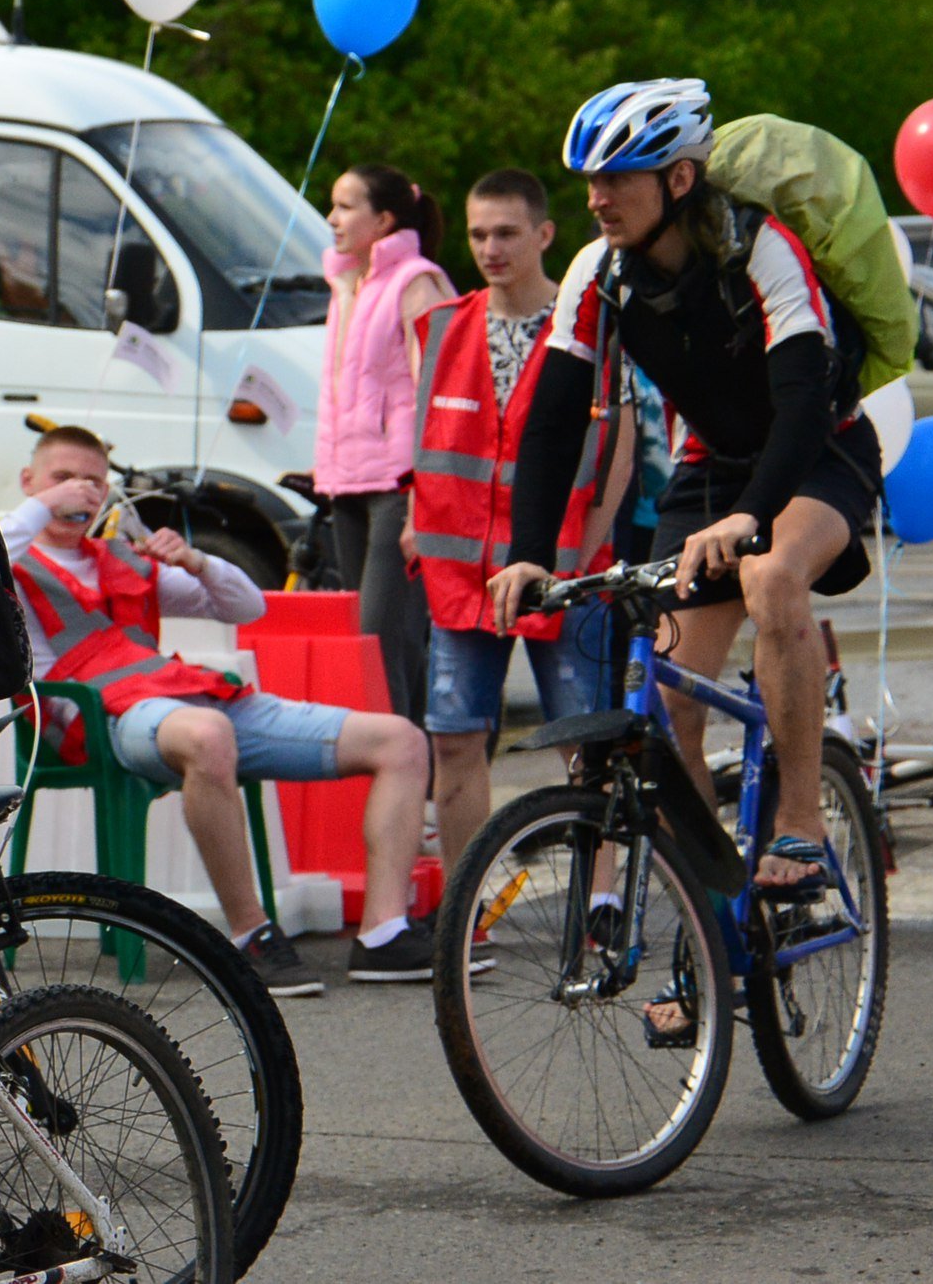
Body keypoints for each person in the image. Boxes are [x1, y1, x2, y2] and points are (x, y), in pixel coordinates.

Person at [491, 78, 883, 906]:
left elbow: (806, 399)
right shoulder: (600, 272)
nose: (596, 199)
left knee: (772, 576)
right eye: (589, 181)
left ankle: (803, 823)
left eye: (617, 178)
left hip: (819, 453)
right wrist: (528, 554)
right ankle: (714, 930)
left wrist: (753, 517)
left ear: (677, 178)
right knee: (662, 715)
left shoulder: (760, 247)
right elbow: (555, 420)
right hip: (712, 470)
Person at [7, 424, 433, 990]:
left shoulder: (122, 557)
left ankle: (383, 934)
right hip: (102, 721)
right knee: (208, 734)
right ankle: (249, 936)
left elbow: (246, 605)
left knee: (400, 740)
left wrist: (196, 561)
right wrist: (43, 505)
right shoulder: (8, 556)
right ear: (29, 482)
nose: (78, 491)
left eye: (92, 481)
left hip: (185, 704)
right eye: (63, 478)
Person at [408, 171, 633, 877]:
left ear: (544, 235)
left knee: (586, 743)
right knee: (452, 740)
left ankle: (597, 904)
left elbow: (618, 450)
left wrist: (585, 554)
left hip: (566, 571)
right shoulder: (441, 327)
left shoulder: (591, 328)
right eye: (477, 233)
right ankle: (464, 909)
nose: (490, 247)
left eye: (506, 232)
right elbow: (424, 443)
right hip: (462, 578)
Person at [314, 164, 454, 725]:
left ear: (385, 218)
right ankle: (407, 782)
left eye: (346, 206)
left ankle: (404, 784)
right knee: (369, 643)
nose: (332, 219)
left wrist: (424, 497)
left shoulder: (418, 281)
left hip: (398, 487)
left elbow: (440, 394)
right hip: (346, 481)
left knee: (384, 641)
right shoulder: (344, 283)